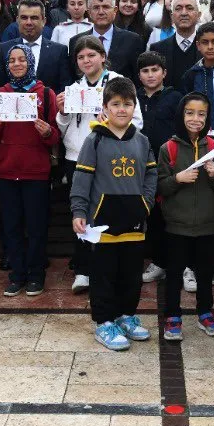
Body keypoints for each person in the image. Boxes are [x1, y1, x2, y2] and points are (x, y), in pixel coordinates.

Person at [71, 76, 158, 351]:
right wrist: (79, 210)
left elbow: (151, 175)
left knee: (131, 275)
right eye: (116, 104)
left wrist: (145, 204)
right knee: (104, 275)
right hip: (102, 224)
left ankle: (126, 316)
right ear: (105, 108)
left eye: (127, 104)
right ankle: (104, 322)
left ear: (135, 107)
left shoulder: (142, 141)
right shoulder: (94, 140)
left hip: (134, 222)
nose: (122, 109)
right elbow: (82, 179)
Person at [60, 36, 142, 289]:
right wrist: (62, 112)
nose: (86, 60)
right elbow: (63, 128)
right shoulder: (73, 89)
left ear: (103, 56)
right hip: (78, 158)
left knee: (109, 212)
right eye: (81, 57)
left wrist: (111, 118)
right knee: (81, 212)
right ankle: (83, 269)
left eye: (91, 55)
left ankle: (111, 269)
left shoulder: (120, 83)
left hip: (111, 158)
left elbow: (137, 122)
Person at [0, 41, 59, 296]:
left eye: (22, 60)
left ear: (30, 62)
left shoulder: (45, 94)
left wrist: (48, 132)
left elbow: (55, 137)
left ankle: (36, 275)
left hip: (36, 171)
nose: (17, 64)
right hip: (6, 170)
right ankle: (17, 274)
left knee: (36, 226)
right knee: (11, 226)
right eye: (12, 60)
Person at [155, 93, 214, 340]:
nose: (196, 118)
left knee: (205, 273)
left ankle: (205, 312)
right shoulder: (169, 148)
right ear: (181, 114)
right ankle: (172, 316)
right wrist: (178, 178)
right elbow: (160, 186)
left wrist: (213, 174)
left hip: (208, 224)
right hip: (176, 225)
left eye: (201, 113)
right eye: (190, 112)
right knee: (174, 273)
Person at [136, 51, 183, 285]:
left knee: (174, 214)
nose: (150, 75)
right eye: (145, 71)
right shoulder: (133, 98)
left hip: (170, 164)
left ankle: (184, 265)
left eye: (155, 70)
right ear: (139, 75)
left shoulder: (175, 97)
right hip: (142, 165)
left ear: (164, 72)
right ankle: (159, 262)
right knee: (152, 215)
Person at [0, 0, 68, 92]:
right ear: (17, 20)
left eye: (34, 18)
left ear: (43, 21)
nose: (29, 22)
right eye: (24, 18)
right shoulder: (4, 49)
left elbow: (64, 89)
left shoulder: (59, 51)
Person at [67, 0, 144, 82]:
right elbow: (73, 77)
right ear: (89, 12)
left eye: (106, 7)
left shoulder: (132, 40)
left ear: (115, 10)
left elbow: (138, 77)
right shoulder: (75, 41)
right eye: (96, 8)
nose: (101, 12)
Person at [153, 0, 204, 87]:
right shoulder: (158, 49)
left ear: (199, 15)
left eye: (189, 8)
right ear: (172, 16)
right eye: (178, 9)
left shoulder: (209, 48)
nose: (184, 13)